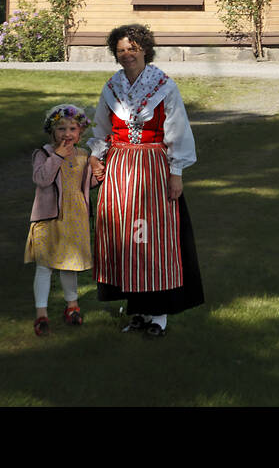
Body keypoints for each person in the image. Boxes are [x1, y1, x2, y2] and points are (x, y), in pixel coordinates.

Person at [87, 24, 204, 337]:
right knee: (123, 239)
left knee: (153, 240)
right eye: (122, 50)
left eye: (133, 49)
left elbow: (177, 130)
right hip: (120, 169)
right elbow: (101, 127)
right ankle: (137, 311)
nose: (127, 55)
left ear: (145, 51)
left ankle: (159, 315)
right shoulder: (112, 87)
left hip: (153, 169)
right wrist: (97, 156)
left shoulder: (164, 86)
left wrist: (176, 172)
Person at [26, 104, 105, 337]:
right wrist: (57, 156)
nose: (67, 134)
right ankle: (41, 313)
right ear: (52, 131)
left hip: (75, 218)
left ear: (81, 132)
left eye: (73, 128)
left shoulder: (83, 156)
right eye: (61, 128)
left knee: (70, 265)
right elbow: (42, 179)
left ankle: (72, 306)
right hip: (49, 218)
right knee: (45, 266)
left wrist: (98, 172)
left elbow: (87, 184)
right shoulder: (44, 153)